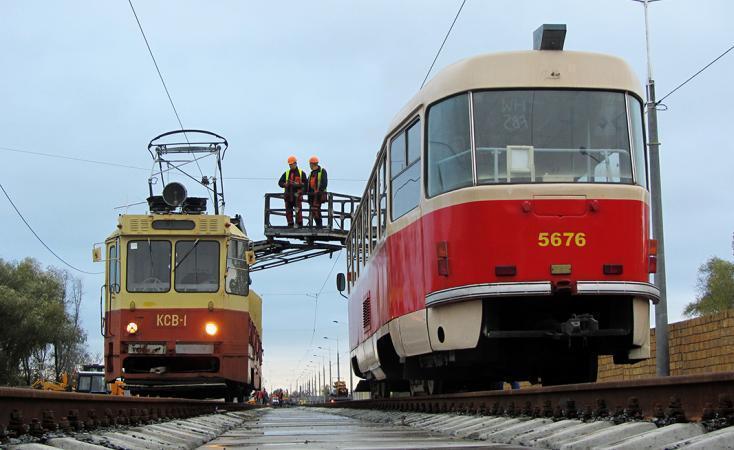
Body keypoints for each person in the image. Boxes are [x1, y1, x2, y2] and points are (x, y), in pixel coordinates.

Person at [278, 156, 307, 227]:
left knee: (298, 212)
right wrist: (285, 184)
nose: (291, 166)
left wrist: (299, 186)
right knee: (288, 212)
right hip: (288, 196)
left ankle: (299, 225)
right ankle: (290, 225)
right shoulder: (286, 173)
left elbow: (306, 184)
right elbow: (280, 183)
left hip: (297, 196)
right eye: (290, 164)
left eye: (292, 164)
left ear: (296, 163)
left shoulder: (301, 173)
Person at [307, 155, 328, 228]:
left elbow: (324, 182)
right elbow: (308, 184)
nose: (310, 165)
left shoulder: (322, 171)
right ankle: (318, 225)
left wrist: (319, 191)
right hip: (312, 195)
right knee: (314, 210)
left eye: (310, 164)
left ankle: (319, 225)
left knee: (316, 209)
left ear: (312, 164)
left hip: (319, 195)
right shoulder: (311, 173)